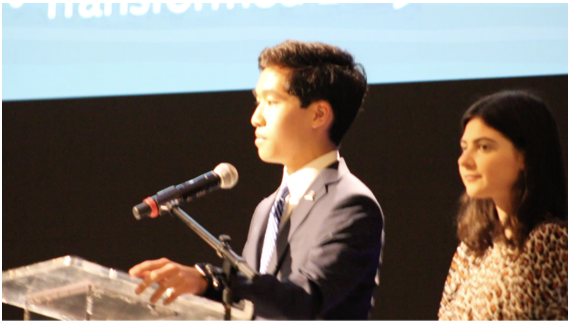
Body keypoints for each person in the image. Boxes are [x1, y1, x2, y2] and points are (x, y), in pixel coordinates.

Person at [129, 40, 384, 320]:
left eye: (272, 102)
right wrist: (202, 290)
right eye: (257, 101)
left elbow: (305, 301)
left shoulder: (350, 204)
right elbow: (253, 302)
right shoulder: (268, 208)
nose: (255, 118)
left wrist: (210, 280)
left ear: (318, 114)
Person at [438, 90, 568, 320]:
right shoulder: (469, 251)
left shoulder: (549, 240)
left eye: (484, 147)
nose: (464, 161)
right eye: (465, 146)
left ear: (524, 156)